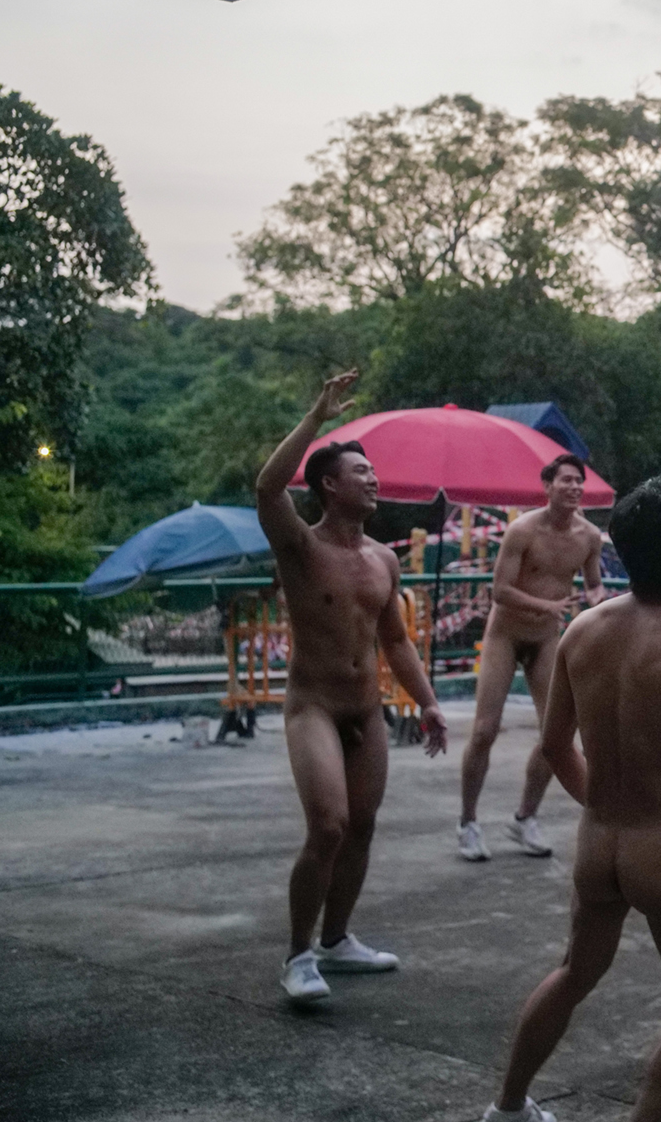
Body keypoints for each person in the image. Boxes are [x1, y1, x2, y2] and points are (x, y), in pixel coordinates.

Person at [481, 475, 661, 1122]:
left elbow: (555, 747)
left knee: (574, 971)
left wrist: (604, 805)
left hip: (599, 841)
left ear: (620, 552)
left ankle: (508, 1108)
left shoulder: (582, 631)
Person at [256, 369, 450, 1004]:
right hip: (313, 706)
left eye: (373, 471)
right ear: (328, 486)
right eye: (360, 471)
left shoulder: (383, 559)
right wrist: (317, 415)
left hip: (366, 712)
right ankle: (298, 954)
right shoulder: (300, 548)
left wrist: (427, 703)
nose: (373, 479)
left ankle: (337, 941)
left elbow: (395, 641)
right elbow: (266, 487)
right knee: (330, 826)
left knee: (362, 826)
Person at [457, 453, 605, 862]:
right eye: (566, 480)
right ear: (548, 486)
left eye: (579, 481)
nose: (574, 487)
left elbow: (592, 584)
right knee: (485, 730)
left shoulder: (589, 536)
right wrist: (547, 606)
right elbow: (500, 591)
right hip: (506, 635)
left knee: (554, 736)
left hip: (546, 639)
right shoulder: (522, 530)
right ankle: (467, 822)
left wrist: (598, 602)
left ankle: (525, 817)